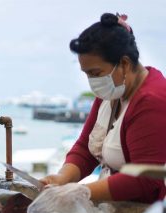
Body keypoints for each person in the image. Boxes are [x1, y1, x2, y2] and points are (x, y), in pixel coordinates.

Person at [41, 13, 166, 203]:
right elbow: (86, 149)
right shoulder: (112, 91)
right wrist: (62, 178)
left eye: (95, 73)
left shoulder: (152, 101)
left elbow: (145, 179)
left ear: (124, 64)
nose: (92, 81)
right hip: (116, 209)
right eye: (87, 74)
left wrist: (80, 193)